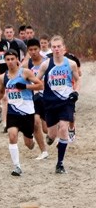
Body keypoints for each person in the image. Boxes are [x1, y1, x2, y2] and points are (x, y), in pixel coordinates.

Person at [0, 50, 43, 176]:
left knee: (29, 144)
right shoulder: (3, 77)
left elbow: (40, 85)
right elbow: (1, 91)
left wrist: (26, 87)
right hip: (13, 111)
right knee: (12, 136)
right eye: (8, 59)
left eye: (12, 59)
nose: (10, 62)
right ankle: (17, 166)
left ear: (17, 59)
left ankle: (31, 140)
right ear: (5, 61)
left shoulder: (25, 72)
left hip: (27, 112)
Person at [36, 36, 81, 174]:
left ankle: (60, 164)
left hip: (66, 102)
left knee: (63, 129)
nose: (56, 49)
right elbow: (36, 80)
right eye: (53, 47)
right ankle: (54, 140)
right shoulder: (46, 64)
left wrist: (75, 92)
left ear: (63, 48)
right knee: (52, 135)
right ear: (51, 48)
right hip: (50, 103)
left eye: (58, 46)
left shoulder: (71, 64)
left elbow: (78, 79)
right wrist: (37, 92)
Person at [21, 38, 49, 160]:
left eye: (35, 49)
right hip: (33, 98)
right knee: (36, 123)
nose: (33, 52)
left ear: (40, 49)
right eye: (30, 50)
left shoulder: (47, 62)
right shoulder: (27, 64)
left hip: (48, 97)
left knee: (46, 129)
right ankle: (44, 151)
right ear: (28, 51)